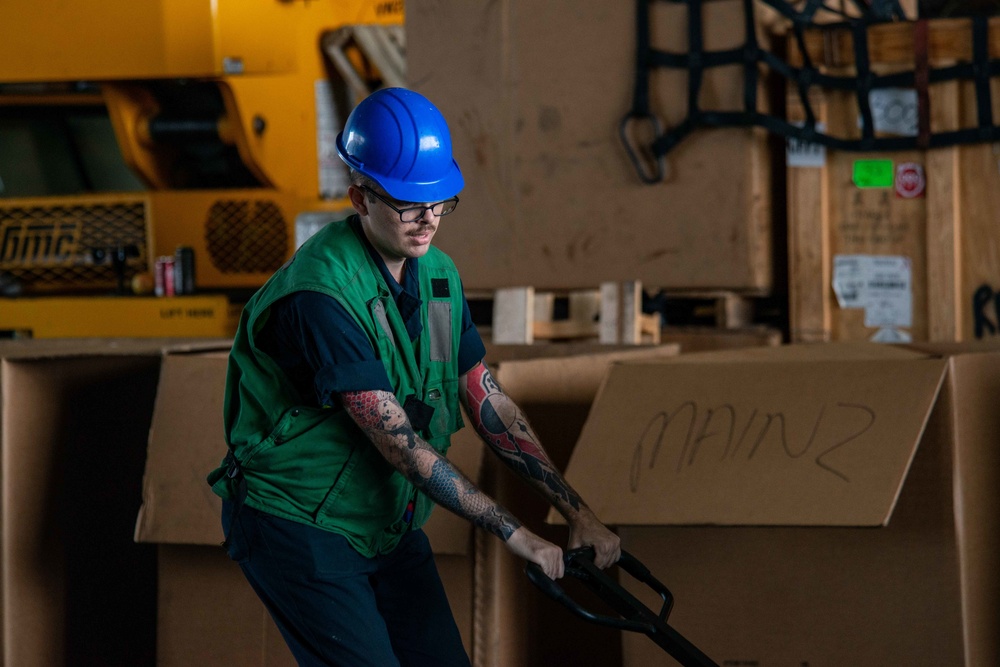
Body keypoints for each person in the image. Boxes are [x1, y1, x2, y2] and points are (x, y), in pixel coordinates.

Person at [207, 87, 620, 667]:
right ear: (359, 196)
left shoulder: (438, 278)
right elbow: (397, 441)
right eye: (408, 202)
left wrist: (577, 511)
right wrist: (513, 532)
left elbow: (483, 397)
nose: (428, 219)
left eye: (440, 200)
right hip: (298, 522)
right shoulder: (320, 296)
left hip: (384, 520)